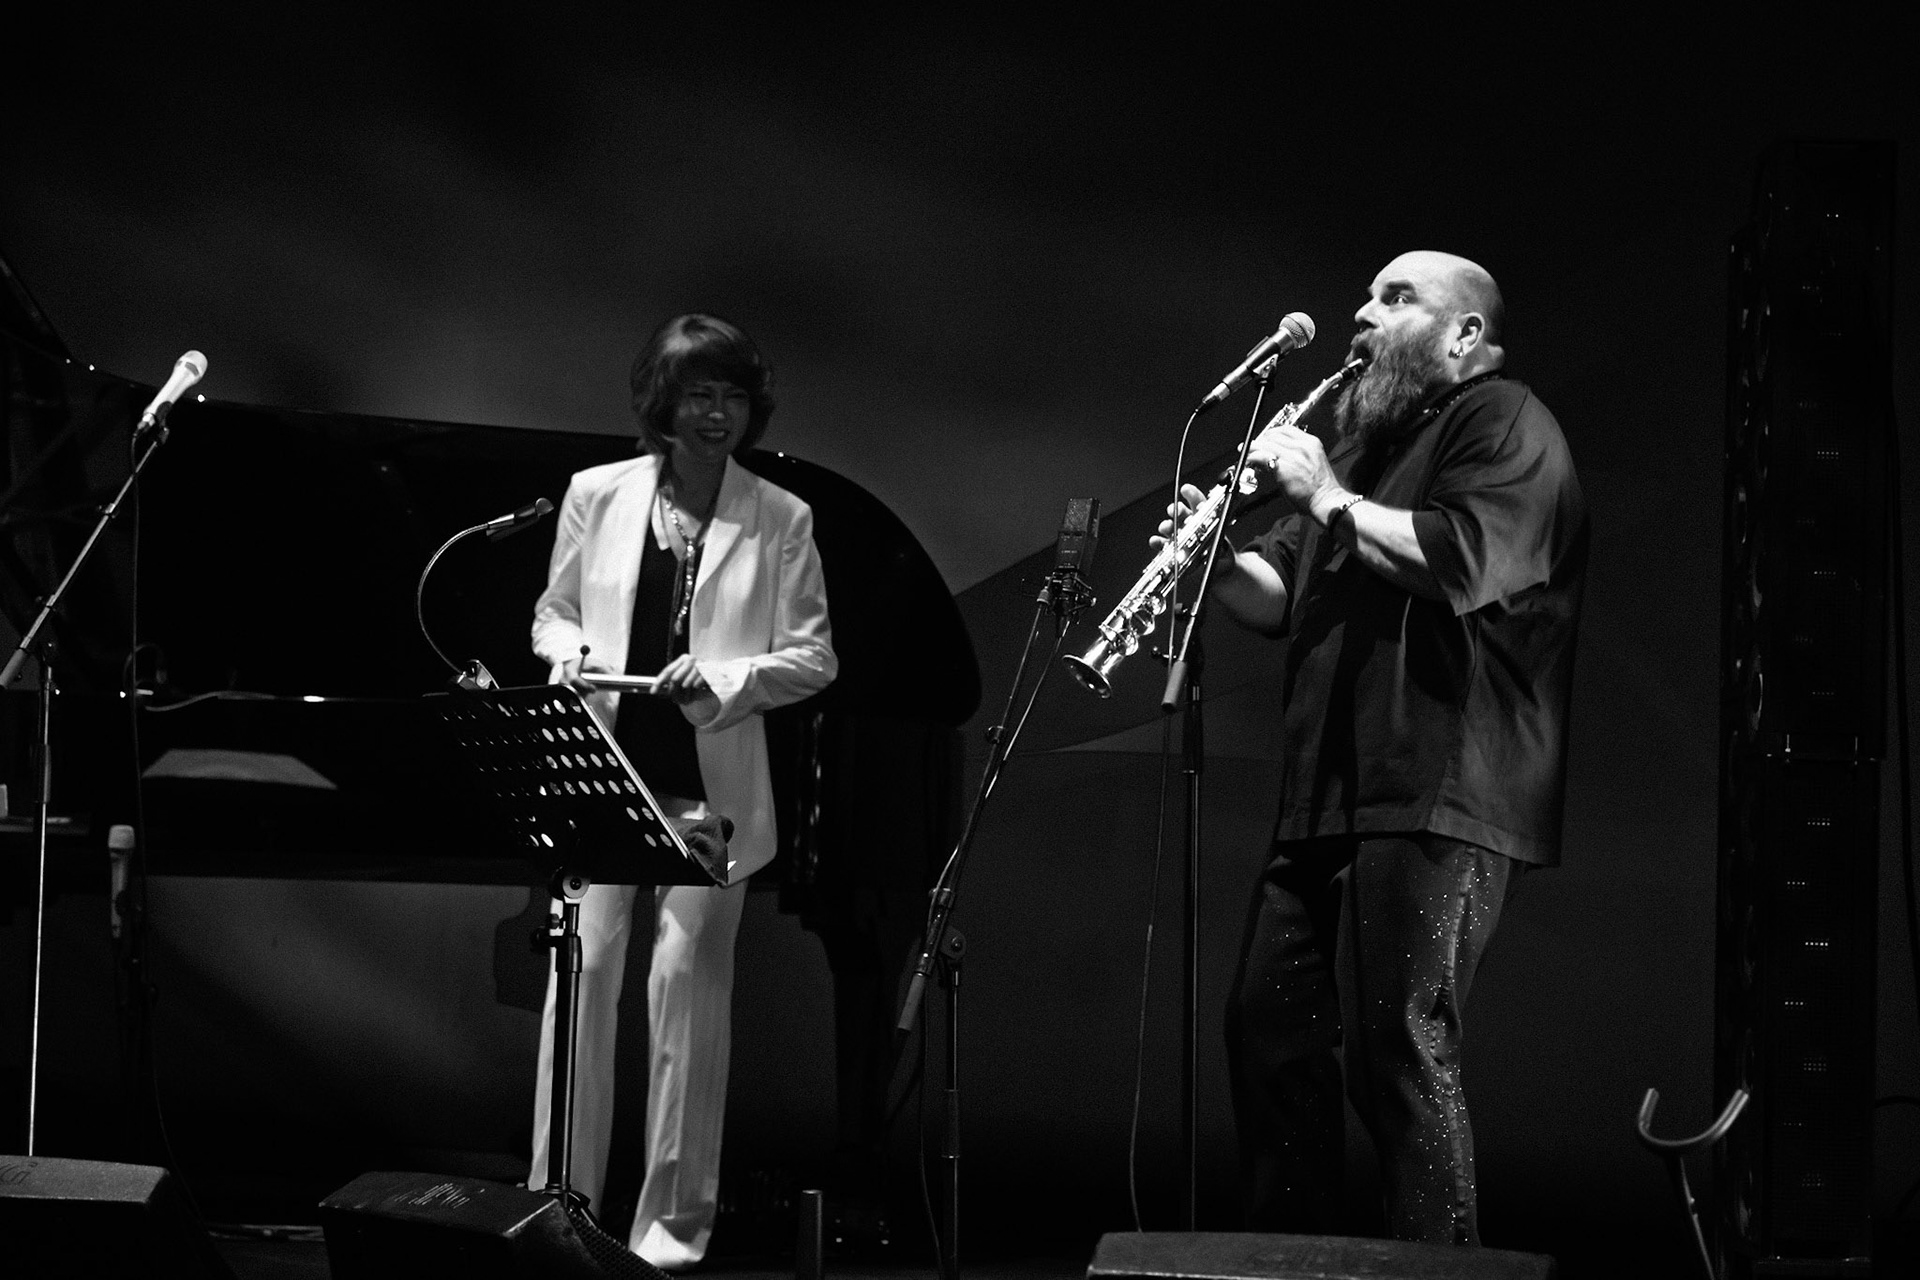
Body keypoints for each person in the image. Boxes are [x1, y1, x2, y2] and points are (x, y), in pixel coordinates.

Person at [1165, 251, 1586, 1244]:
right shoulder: (1359, 447)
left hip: (1441, 783)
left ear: (1463, 336)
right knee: (1269, 1034)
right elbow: (1277, 598)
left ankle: (1439, 1271)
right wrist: (1214, 556)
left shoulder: (1503, 420)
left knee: (1397, 1048)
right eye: (1369, 294)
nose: (1362, 314)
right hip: (1328, 791)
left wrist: (1320, 496)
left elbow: (1461, 560)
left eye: (1396, 299)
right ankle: (1289, 1260)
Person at [527, 313, 837, 1268]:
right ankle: (554, 1212)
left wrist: (727, 679)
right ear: (665, 403)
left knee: (687, 1005)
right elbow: (555, 613)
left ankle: (669, 1238)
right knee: (579, 983)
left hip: (714, 791)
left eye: (733, 396)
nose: (717, 414)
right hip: (606, 775)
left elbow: (814, 658)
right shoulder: (597, 494)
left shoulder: (781, 516)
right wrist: (570, 656)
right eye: (700, 394)